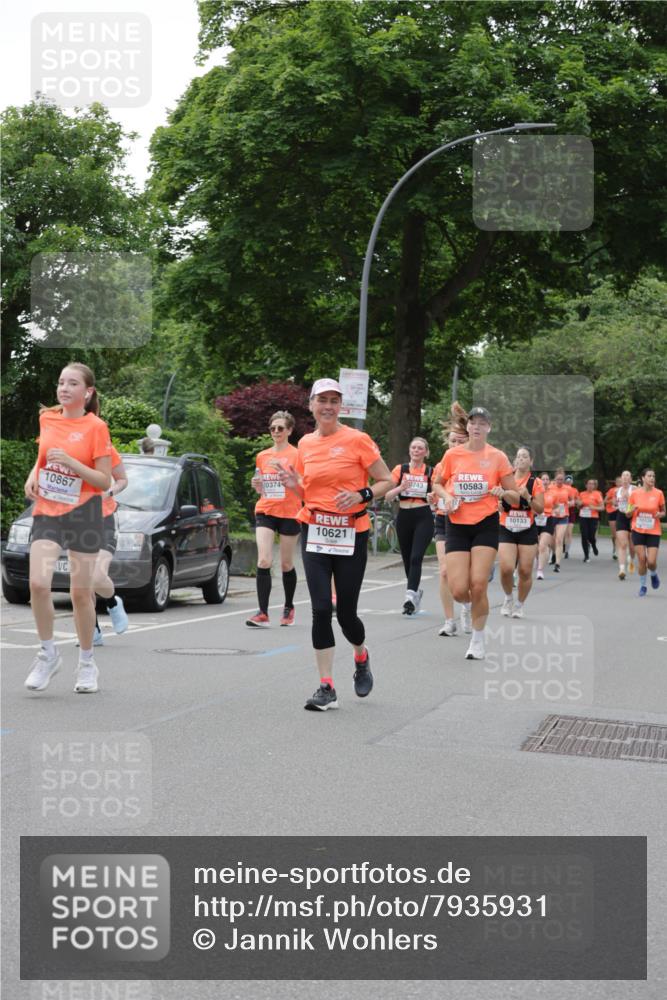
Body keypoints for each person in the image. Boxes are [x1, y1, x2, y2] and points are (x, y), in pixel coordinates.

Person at [279, 379, 393, 711]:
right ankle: (326, 686)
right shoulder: (305, 444)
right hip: (314, 530)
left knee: (345, 614)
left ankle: (360, 655)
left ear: (340, 406)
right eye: (322, 400)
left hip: (351, 533)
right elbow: (308, 492)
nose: (328, 406)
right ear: (311, 405)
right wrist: (292, 484)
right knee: (320, 609)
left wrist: (362, 494)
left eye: (334, 400)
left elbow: (387, 480)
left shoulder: (358, 440)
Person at [23, 363, 112, 694]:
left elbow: (104, 480)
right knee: (37, 583)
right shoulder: (47, 418)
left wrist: (74, 464)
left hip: (85, 512)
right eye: (61, 382)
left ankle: (87, 662)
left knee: (80, 593)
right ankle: (47, 654)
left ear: (87, 392)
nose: (64, 388)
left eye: (72, 383)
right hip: (48, 510)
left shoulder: (96, 427)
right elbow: (44, 455)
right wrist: (35, 474)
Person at [434, 405, 518, 660]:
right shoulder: (453, 455)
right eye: (474, 422)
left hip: (485, 523)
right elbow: (437, 483)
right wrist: (447, 496)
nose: (478, 427)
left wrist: (502, 493)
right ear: (468, 427)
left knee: (478, 584)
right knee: (459, 589)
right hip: (457, 523)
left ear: (489, 428)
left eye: (483, 423)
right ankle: (468, 607)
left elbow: (515, 496)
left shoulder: (498, 457)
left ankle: (478, 641)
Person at [246, 411, 301, 627]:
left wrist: (291, 481)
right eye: (272, 428)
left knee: (286, 564)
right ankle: (263, 613)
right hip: (266, 510)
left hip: (290, 512)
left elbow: (304, 483)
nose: (276, 432)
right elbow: (260, 482)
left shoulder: (298, 455)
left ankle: (288, 607)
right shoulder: (263, 456)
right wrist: (257, 485)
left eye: (280, 428)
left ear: (289, 430)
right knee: (264, 560)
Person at [384, 437, 434, 615]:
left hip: (423, 516)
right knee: (407, 559)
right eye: (413, 447)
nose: (416, 451)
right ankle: (415, 592)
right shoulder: (401, 469)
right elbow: (387, 496)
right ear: (409, 450)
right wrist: (400, 488)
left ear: (426, 452)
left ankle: (409, 596)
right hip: (404, 516)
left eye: (420, 448)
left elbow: (437, 495)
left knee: (416, 557)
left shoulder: (430, 471)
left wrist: (432, 497)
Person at [431, 407, 469, 636]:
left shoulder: (475, 464)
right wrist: (432, 498)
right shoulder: (441, 466)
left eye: (459, 441)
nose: (454, 445)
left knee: (465, 574)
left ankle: (466, 606)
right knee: (444, 571)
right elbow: (436, 493)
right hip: (444, 520)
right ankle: (448, 620)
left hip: (468, 523)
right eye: (452, 440)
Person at [498, 446, 545, 618]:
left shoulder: (536, 483)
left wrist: (528, 497)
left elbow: (540, 509)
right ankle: (508, 597)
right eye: (518, 456)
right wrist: (499, 504)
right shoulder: (505, 479)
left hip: (527, 528)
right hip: (506, 526)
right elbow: (497, 499)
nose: (521, 459)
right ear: (514, 460)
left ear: (531, 461)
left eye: (525, 456)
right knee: (506, 568)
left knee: (525, 571)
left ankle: (519, 604)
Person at [630, 469, 664, 596]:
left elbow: (663, 511)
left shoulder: (659, 493)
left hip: (653, 531)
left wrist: (660, 514)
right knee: (642, 559)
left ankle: (653, 575)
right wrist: (631, 510)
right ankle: (643, 586)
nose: (652, 478)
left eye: (653, 476)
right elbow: (628, 513)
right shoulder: (635, 494)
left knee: (651, 561)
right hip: (638, 529)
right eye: (649, 476)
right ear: (643, 478)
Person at [613, 470, 636, 580]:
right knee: (622, 544)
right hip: (621, 516)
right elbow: (614, 503)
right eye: (623, 476)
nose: (625, 477)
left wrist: (628, 498)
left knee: (632, 546)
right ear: (621, 479)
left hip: (632, 517)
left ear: (631, 479)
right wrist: (616, 504)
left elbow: (639, 503)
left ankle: (631, 560)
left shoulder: (635, 489)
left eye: (628, 476)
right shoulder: (617, 491)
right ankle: (622, 569)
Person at [548, 469, 572, 573]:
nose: (560, 481)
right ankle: (553, 553)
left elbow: (572, 500)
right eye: (558, 479)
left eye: (562, 479)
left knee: (559, 539)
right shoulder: (550, 488)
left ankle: (557, 564)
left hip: (563, 516)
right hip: (552, 516)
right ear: (555, 479)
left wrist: (571, 503)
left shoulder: (568, 489)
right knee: (551, 540)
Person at [576, 478, 604, 562]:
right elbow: (578, 506)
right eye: (589, 484)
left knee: (591, 536)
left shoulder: (597, 494)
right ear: (586, 485)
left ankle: (594, 545)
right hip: (583, 517)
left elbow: (602, 507)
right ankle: (586, 555)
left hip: (593, 517)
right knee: (584, 536)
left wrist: (594, 507)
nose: (591, 485)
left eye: (593, 484)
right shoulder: (581, 494)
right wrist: (579, 504)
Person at [536, 472, 555, 580]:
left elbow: (557, 505)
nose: (545, 481)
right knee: (535, 547)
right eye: (543, 479)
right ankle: (538, 561)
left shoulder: (553, 493)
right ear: (539, 481)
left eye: (547, 479)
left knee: (543, 545)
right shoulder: (535, 492)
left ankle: (540, 570)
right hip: (535, 519)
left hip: (547, 519)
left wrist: (555, 511)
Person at [604, 477, 621, 560]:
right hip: (612, 512)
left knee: (620, 533)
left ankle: (618, 551)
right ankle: (615, 547)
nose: (620, 482)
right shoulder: (612, 490)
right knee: (614, 534)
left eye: (621, 481)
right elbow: (604, 501)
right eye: (618, 481)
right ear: (616, 482)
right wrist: (611, 501)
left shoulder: (627, 490)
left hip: (622, 512)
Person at [564, 475, 579, 558]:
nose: (569, 482)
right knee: (563, 532)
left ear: (572, 482)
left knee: (569, 532)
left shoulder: (575, 490)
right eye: (567, 480)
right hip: (562, 511)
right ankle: (563, 545)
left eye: (570, 481)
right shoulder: (562, 489)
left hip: (571, 511)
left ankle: (567, 551)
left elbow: (577, 500)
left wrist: (576, 502)